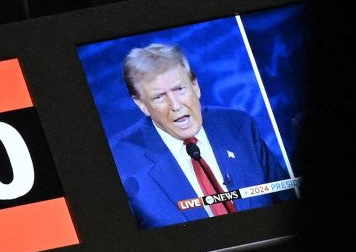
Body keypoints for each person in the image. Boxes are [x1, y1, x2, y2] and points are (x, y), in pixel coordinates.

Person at [110, 43, 294, 229]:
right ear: (142, 105)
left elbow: (287, 199)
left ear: (195, 86)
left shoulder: (239, 126)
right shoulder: (121, 164)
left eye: (179, 89)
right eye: (159, 97)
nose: (175, 105)